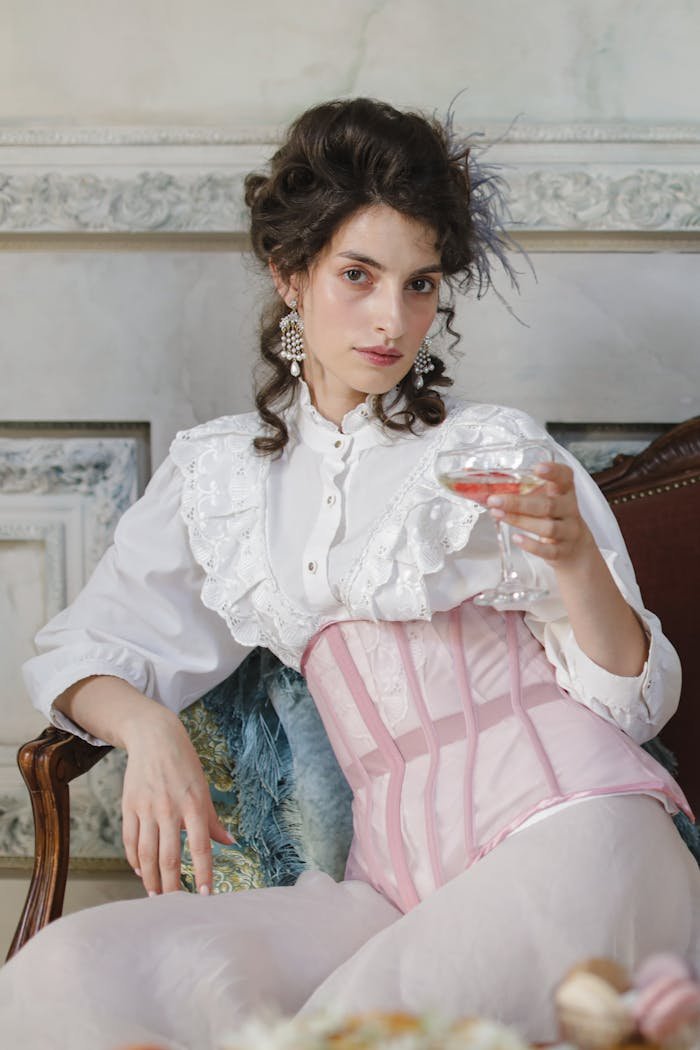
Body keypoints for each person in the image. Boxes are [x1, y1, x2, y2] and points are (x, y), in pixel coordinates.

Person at [1, 97, 698, 1050]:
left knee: (356, 1033)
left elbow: (633, 704)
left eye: (420, 285)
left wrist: (576, 558)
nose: (391, 319)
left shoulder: (491, 449)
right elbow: (84, 648)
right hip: (392, 887)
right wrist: (148, 726)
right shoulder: (219, 478)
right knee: (71, 971)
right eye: (358, 276)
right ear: (290, 275)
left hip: (574, 831)